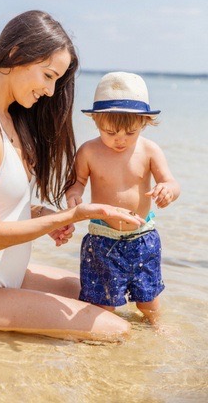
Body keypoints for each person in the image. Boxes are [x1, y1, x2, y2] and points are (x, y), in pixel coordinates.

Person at [0, 10, 147, 342]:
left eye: (57, 80)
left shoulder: (12, 119)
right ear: (17, 54)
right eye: (48, 75)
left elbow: (2, 203)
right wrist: (74, 214)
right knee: (117, 332)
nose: (50, 91)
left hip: (10, 276)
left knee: (106, 297)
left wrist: (46, 214)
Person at [65, 72, 180, 326]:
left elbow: (171, 182)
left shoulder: (149, 150)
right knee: (103, 304)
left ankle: (156, 332)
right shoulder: (89, 151)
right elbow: (77, 183)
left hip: (143, 239)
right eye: (111, 132)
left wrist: (167, 190)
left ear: (145, 122)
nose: (120, 139)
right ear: (96, 121)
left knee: (149, 301)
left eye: (130, 132)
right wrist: (73, 197)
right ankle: (104, 340)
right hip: (102, 239)